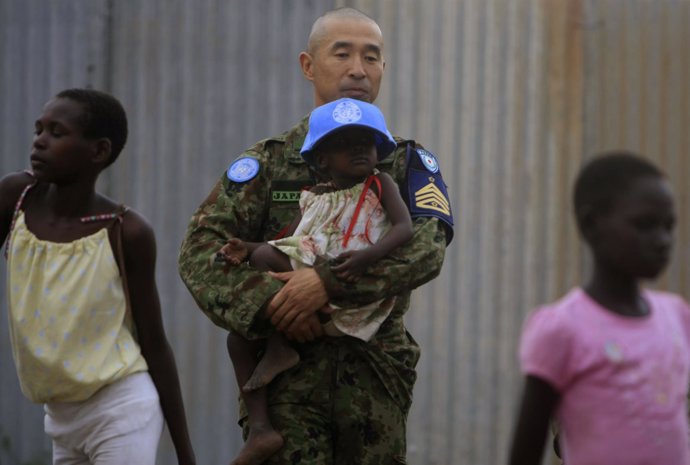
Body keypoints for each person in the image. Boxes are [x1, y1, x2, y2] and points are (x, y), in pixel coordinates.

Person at [178, 7, 453, 465]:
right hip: (286, 384)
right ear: (308, 65)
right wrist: (276, 305)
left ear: (383, 68)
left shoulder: (404, 163)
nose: (357, 70)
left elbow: (427, 249)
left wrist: (327, 283)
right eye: (341, 54)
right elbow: (200, 254)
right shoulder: (268, 162)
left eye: (371, 57)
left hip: (374, 380)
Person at [0, 88, 196, 465]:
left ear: (99, 151)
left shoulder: (125, 231)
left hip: (120, 408)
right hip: (59, 416)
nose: (39, 141)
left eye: (57, 133)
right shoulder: (16, 198)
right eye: (39, 129)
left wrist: (185, 454)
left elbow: (154, 343)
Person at [219, 97, 414, 464]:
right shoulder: (312, 199)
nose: (359, 148)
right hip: (308, 309)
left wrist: (367, 257)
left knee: (264, 261)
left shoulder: (379, 184)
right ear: (321, 158)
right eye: (345, 141)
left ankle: (280, 343)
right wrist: (245, 247)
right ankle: (261, 428)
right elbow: (284, 244)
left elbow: (405, 229)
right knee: (238, 338)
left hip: (352, 296)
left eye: (367, 141)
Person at [508, 151, 690, 465]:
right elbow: (526, 449)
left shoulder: (677, 316)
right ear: (591, 224)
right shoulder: (562, 329)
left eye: (669, 226)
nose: (663, 240)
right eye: (645, 225)